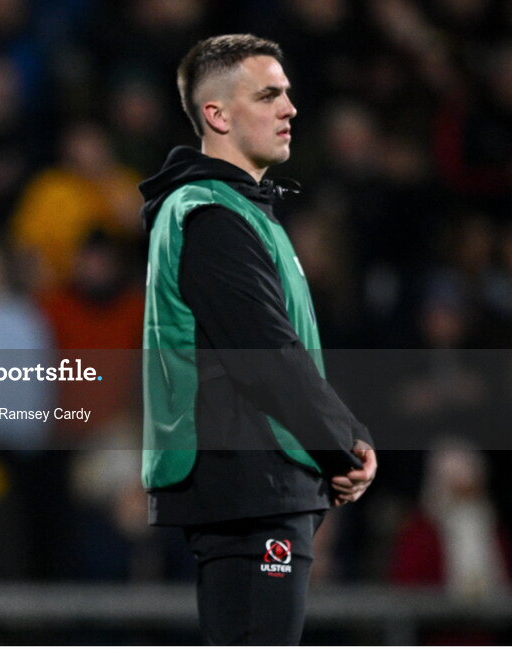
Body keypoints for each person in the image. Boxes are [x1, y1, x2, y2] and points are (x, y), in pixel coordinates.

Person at [140, 35, 377, 645]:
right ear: (216, 115)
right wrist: (343, 445)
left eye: (289, 93)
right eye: (269, 94)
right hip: (251, 485)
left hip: (255, 485)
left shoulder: (234, 210)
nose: (290, 108)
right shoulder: (212, 216)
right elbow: (267, 356)